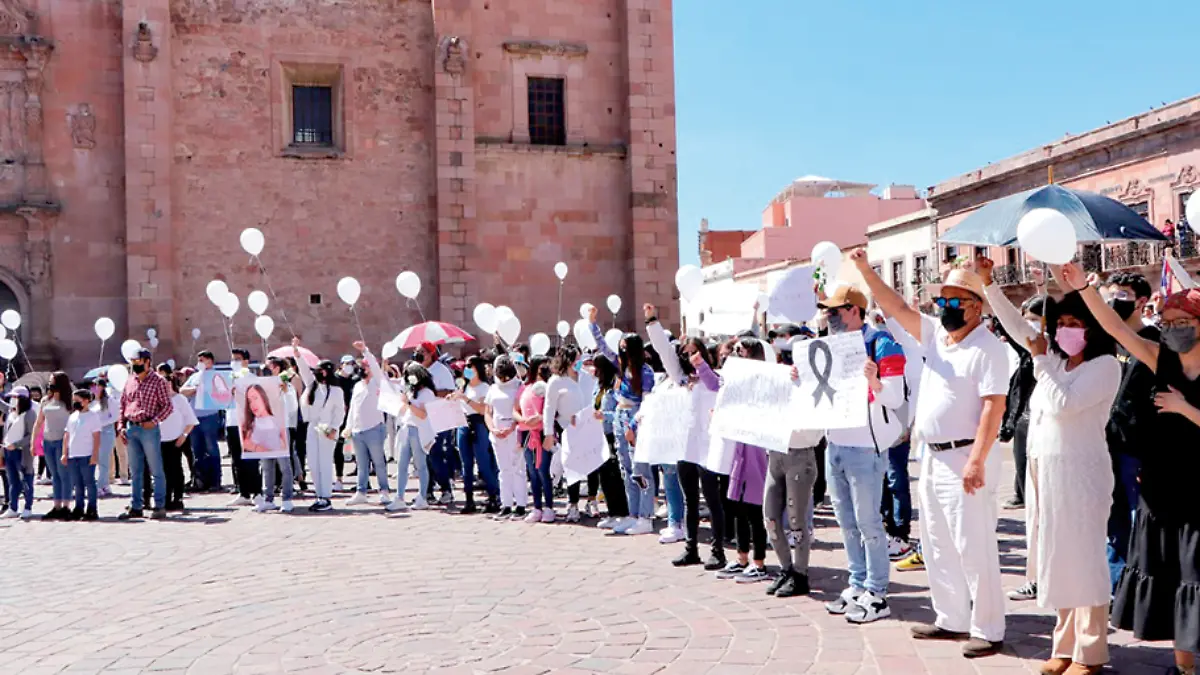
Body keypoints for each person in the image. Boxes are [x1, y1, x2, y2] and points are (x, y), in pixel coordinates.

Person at [853, 250, 1008, 659]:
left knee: (974, 544)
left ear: (977, 308)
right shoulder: (938, 338)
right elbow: (898, 306)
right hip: (934, 457)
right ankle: (951, 617)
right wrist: (866, 271)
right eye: (942, 302)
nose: (946, 309)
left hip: (966, 456)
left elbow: (995, 405)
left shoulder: (988, 348)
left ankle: (988, 627)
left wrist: (977, 458)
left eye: (956, 303)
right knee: (937, 543)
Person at [1060, 264, 1200, 675]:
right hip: (1161, 487)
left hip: (1198, 491)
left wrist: (1186, 409)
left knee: (1196, 575)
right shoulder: (1162, 358)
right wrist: (1084, 288)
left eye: (1183, 322)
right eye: (1168, 322)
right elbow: (1117, 329)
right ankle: (1184, 666)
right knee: (1172, 577)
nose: (1174, 329)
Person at [982, 259, 1120, 675]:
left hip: (1081, 476)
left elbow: (1065, 404)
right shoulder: (1054, 360)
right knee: (1056, 559)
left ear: (1092, 329)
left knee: (1085, 559)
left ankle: (1090, 651)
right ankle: (1064, 644)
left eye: (1076, 323)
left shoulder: (1104, 367)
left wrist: (1041, 361)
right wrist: (989, 285)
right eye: (1062, 323)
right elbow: (1016, 327)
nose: (1065, 331)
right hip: (1045, 474)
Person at [816, 283, 908, 624]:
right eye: (827, 312)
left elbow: (896, 400)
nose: (829, 317)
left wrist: (875, 383)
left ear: (854, 310)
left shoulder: (882, 343)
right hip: (836, 443)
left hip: (866, 445)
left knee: (868, 521)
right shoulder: (829, 346)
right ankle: (857, 583)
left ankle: (877, 591)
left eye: (835, 311)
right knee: (846, 521)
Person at [642, 304, 726, 567]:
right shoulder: (679, 379)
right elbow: (664, 351)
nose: (690, 357)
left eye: (695, 352)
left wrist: (701, 368)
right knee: (690, 499)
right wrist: (653, 321)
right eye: (686, 353)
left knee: (712, 500)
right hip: (685, 448)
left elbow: (713, 383)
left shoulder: (715, 378)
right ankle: (691, 548)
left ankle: (718, 551)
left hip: (708, 448)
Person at [1099, 272, 1160, 592]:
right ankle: (1115, 586)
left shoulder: (1154, 343)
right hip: (1107, 443)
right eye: (1110, 294)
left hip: (1136, 450)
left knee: (1138, 519)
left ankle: (1141, 587)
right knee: (1113, 518)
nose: (1114, 301)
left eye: (1122, 295)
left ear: (1141, 302)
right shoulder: (1109, 342)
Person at [703, 337, 772, 584]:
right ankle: (742, 558)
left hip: (754, 449)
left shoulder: (763, 380)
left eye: (740, 351)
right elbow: (715, 384)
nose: (734, 355)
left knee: (754, 509)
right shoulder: (733, 378)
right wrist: (701, 364)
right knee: (738, 506)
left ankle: (759, 563)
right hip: (737, 449)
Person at [589, 307, 656, 535]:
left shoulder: (645, 372)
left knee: (640, 470)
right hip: (619, 416)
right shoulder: (620, 366)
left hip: (634, 418)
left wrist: (633, 426)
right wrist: (593, 325)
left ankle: (646, 516)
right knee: (626, 470)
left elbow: (647, 403)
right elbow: (603, 349)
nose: (622, 351)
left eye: (626, 348)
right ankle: (633, 513)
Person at [118, 349, 174, 520]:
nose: (135, 364)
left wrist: (155, 421)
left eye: (138, 361)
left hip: (149, 428)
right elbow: (123, 404)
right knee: (135, 470)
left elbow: (168, 406)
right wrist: (121, 426)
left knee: (156, 469)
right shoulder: (129, 381)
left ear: (147, 361)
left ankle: (159, 506)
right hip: (131, 427)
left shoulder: (159, 381)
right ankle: (136, 506)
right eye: (133, 361)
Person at [293, 339, 346, 512]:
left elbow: (340, 412)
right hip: (312, 427)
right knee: (313, 462)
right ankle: (319, 495)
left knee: (324, 462)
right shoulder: (312, 385)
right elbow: (303, 369)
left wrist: (334, 428)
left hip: (327, 429)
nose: (316, 372)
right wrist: (296, 352)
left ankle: (326, 497)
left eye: (319, 370)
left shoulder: (336, 390)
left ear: (326, 372)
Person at [343, 342, 393, 507]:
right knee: (361, 464)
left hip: (374, 428)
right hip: (358, 430)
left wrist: (366, 351)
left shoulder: (377, 382)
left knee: (378, 462)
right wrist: (348, 427)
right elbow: (353, 408)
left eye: (365, 366)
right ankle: (361, 491)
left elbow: (376, 369)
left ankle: (384, 491)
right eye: (361, 366)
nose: (362, 368)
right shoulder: (357, 385)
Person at [453, 355, 500, 514]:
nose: (467, 369)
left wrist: (465, 399)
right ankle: (469, 499)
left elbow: (482, 409)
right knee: (466, 464)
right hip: (463, 423)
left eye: (470, 366)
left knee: (483, 461)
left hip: (479, 424)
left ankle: (494, 496)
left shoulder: (484, 388)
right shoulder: (464, 386)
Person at [543, 347, 586, 522]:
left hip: (585, 426)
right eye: (577, 359)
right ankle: (573, 504)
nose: (579, 363)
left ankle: (591, 500)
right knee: (571, 466)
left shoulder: (585, 377)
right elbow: (549, 408)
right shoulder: (556, 381)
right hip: (566, 427)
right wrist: (548, 433)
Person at [590, 354, 631, 530]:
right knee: (604, 476)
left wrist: (603, 415)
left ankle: (622, 512)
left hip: (612, 433)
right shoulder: (597, 387)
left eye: (597, 368)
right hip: (598, 434)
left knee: (614, 474)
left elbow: (621, 411)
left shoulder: (615, 386)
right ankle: (612, 511)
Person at [390, 361, 437, 511]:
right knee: (402, 464)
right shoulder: (410, 392)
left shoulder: (428, 393)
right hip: (406, 427)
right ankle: (399, 497)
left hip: (419, 430)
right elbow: (404, 409)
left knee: (421, 464)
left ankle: (423, 496)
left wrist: (409, 403)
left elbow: (423, 414)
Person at [484, 355, 527, 519]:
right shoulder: (493, 388)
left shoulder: (519, 386)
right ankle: (506, 504)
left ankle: (521, 504)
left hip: (515, 432)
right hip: (497, 433)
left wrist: (512, 427)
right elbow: (488, 412)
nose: (503, 379)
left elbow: (522, 410)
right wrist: (493, 429)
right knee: (504, 470)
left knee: (518, 468)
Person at [414, 342, 457, 504]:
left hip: (439, 417)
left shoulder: (440, 370)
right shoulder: (416, 370)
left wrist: (430, 389)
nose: (419, 355)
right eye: (417, 352)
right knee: (423, 455)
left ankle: (446, 489)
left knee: (436, 453)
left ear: (431, 354)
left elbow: (450, 392)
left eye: (422, 352)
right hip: (422, 417)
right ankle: (427, 489)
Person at [514, 356, 553, 523]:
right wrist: (523, 420)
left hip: (543, 433)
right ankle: (537, 507)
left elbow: (554, 409)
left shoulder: (550, 387)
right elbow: (514, 409)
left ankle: (549, 507)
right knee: (532, 472)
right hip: (527, 433)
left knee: (543, 471)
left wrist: (540, 418)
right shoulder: (524, 387)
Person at [31, 372, 74, 520]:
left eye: (53, 382)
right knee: (54, 476)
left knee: (64, 475)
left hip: (63, 442)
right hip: (48, 441)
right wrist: (33, 442)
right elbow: (39, 423)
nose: (50, 385)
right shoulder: (45, 401)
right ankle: (56, 505)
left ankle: (67, 506)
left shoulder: (69, 402)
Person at [180, 351, 224, 491]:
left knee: (212, 448)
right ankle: (199, 481)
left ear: (210, 361)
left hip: (210, 416)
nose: (199, 362)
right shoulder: (195, 376)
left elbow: (223, 392)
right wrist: (194, 389)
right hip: (195, 417)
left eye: (202, 360)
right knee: (197, 450)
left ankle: (215, 481)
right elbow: (182, 390)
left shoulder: (217, 375)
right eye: (198, 360)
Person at [157, 364, 198, 513]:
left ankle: (178, 498)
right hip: (159, 439)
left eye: (167, 383)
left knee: (175, 469)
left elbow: (191, 421)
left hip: (175, 439)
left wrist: (184, 435)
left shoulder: (180, 399)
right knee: (163, 471)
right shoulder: (157, 400)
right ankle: (165, 498)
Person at [225, 348, 261, 506]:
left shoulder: (252, 379)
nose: (235, 362)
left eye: (238, 359)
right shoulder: (228, 378)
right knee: (237, 459)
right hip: (232, 421)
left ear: (246, 361)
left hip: (248, 422)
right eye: (233, 359)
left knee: (251, 459)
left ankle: (257, 492)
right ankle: (243, 492)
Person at [61, 388, 102, 521]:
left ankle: (92, 508)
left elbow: (96, 437)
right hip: (73, 454)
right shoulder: (72, 416)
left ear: (86, 401)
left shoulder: (93, 416)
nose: (75, 403)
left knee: (89, 482)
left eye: (77, 400)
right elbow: (66, 435)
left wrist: (95, 454)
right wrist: (64, 453)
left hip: (86, 454)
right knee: (77, 483)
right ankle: (78, 508)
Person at [1, 386, 36, 519]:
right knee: (12, 481)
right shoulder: (11, 411)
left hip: (22, 452)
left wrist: (16, 444)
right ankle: (13, 507)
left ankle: (28, 507)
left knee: (26, 479)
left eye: (15, 397)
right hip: (8, 452)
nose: (12, 399)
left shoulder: (30, 413)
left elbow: (30, 435)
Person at [90, 377, 118, 499]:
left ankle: (101, 485)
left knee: (104, 459)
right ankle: (105, 484)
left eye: (97, 385)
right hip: (94, 433)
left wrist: (102, 423)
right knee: (96, 459)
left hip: (106, 432)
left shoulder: (109, 401)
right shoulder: (91, 402)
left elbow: (115, 416)